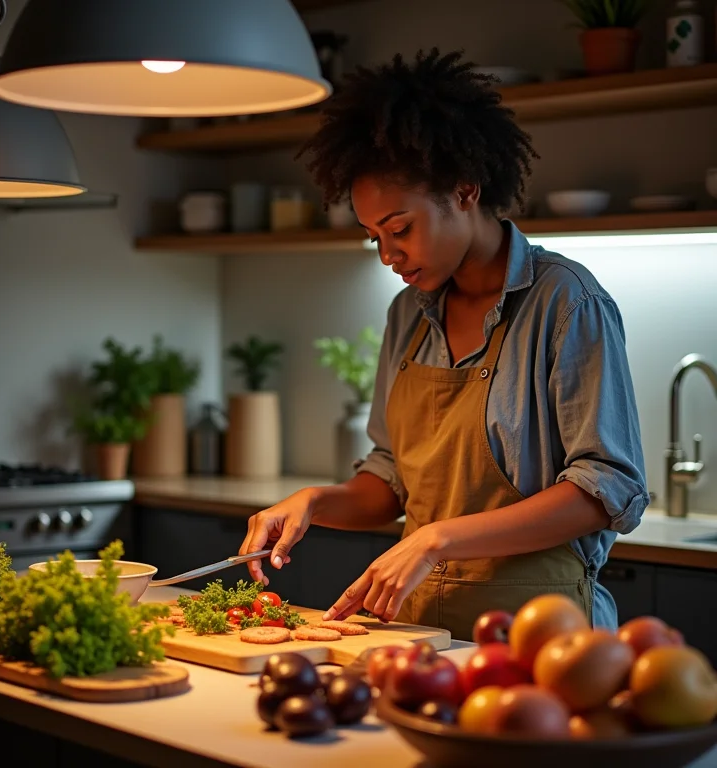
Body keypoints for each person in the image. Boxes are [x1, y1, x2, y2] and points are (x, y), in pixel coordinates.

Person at [238, 48, 649, 639]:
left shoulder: (567, 302)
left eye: (400, 228)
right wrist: (315, 502)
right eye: (374, 236)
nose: (388, 255)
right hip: (419, 635)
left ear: (464, 190)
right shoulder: (409, 312)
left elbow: (607, 491)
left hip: (543, 640)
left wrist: (438, 538)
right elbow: (391, 482)